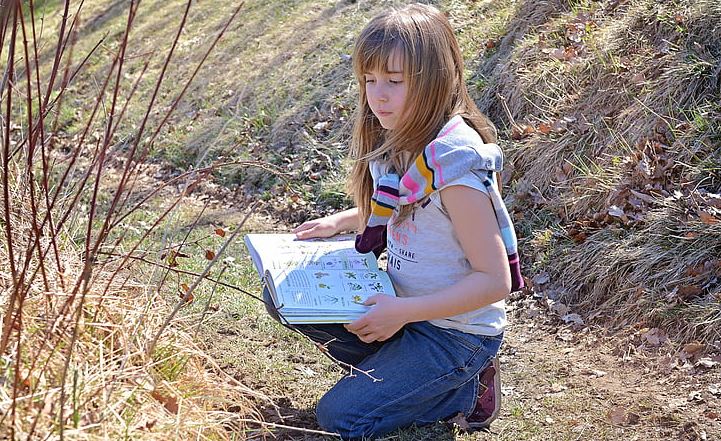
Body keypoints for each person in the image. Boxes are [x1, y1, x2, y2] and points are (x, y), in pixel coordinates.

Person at [263, 3, 523, 439]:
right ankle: (406, 378)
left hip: (453, 334)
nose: (377, 95)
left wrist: (404, 312)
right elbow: (407, 205)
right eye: (369, 81)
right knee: (284, 295)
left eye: (394, 82)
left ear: (435, 80)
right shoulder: (400, 138)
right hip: (405, 309)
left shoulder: (455, 168)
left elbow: (495, 280)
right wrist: (344, 221)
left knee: (340, 417)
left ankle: (460, 389)